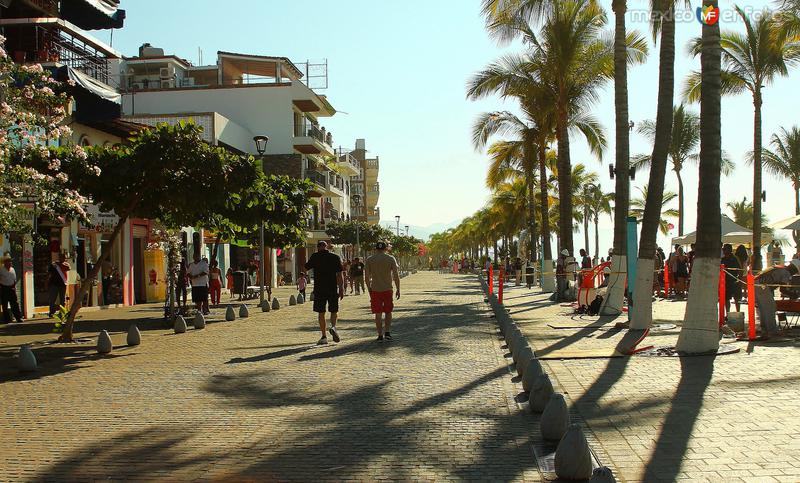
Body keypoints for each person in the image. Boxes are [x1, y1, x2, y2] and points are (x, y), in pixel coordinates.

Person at [305, 241, 344, 345]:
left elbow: (306, 267)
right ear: (326, 247)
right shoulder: (335, 257)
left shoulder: (315, 256)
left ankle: (324, 336)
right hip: (332, 288)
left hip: (319, 288)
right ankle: (333, 327)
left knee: (321, 313)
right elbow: (340, 274)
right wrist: (341, 288)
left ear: (318, 247)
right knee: (334, 310)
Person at [365, 241, 401, 343]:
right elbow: (396, 275)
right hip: (387, 289)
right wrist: (398, 289)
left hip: (375, 290)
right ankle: (387, 332)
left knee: (378, 313)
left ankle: (380, 334)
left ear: (375, 249)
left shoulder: (370, 260)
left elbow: (366, 277)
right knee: (388, 311)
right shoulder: (390, 258)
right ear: (386, 249)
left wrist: (369, 289)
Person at [754, 261, 800, 338]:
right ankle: (772, 331)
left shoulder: (780, 268)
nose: (793, 274)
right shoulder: (786, 273)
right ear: (793, 269)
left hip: (757, 284)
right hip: (762, 286)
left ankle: (765, 329)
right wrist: (793, 295)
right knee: (770, 308)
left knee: (764, 309)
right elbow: (783, 289)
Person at [721, 244, 742, 315]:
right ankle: (727, 313)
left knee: (737, 298)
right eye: (723, 249)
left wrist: (739, 280)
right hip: (725, 282)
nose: (723, 251)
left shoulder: (735, 258)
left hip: (734, 281)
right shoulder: (723, 259)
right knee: (726, 299)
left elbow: (740, 270)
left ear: (729, 250)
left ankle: (738, 312)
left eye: (725, 249)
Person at [0, 255, 23, 324]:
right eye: (8, 261)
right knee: (5, 304)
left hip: (11, 288)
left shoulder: (12, 269)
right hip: (4, 288)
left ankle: (18, 318)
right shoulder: (1, 270)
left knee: (15, 303)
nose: (10, 263)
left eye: (10, 261)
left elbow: (14, 279)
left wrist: (14, 287)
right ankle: (7, 319)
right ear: (5, 263)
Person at [47, 252, 70, 317]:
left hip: (62, 284)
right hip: (53, 284)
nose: (64, 259)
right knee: (52, 299)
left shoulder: (66, 264)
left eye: (65, 258)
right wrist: (46, 282)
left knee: (62, 299)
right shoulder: (54, 265)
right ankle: (51, 312)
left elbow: (68, 268)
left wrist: (60, 264)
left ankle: (62, 312)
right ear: (60, 257)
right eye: (63, 257)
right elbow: (49, 273)